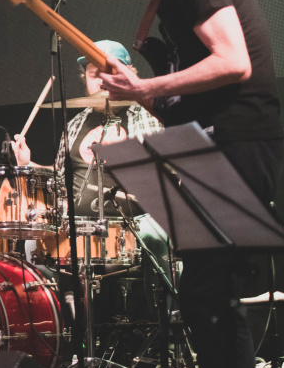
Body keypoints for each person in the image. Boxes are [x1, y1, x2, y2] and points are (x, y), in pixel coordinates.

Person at [74, 0, 284, 368]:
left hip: (239, 140)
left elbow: (234, 61)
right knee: (207, 293)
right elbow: (185, 99)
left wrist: (145, 87)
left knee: (207, 291)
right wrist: (140, 94)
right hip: (218, 141)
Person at [11, 39, 170, 276]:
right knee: (34, 244)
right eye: (93, 74)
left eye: (107, 73)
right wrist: (27, 163)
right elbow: (58, 175)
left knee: (158, 234)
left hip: (137, 220)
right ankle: (61, 309)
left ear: (128, 74)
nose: (100, 81)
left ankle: (168, 310)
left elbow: (166, 173)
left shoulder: (146, 114)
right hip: (77, 223)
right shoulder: (76, 124)